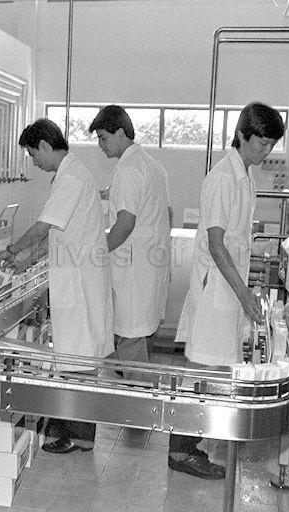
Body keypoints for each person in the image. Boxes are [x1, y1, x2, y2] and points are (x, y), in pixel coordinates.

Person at [169, 101, 285, 479]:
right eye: (261, 144)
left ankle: (195, 445)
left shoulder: (245, 175)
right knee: (199, 371)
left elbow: (235, 242)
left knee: (213, 371)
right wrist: (245, 294)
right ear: (241, 136)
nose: (266, 152)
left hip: (226, 291)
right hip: (216, 291)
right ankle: (181, 451)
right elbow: (217, 244)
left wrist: (244, 289)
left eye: (271, 145)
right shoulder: (222, 177)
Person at [0, 118, 113, 454]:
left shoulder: (71, 177)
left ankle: (77, 436)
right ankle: (74, 430)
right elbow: (58, 234)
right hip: (75, 276)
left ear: (46, 145)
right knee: (76, 357)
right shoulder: (70, 174)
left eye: (34, 154)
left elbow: (43, 226)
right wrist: (28, 260)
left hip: (80, 281)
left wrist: (14, 249)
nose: (34, 162)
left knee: (79, 360)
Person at [88, 105, 170, 380]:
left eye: (103, 137)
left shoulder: (127, 169)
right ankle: (143, 414)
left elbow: (125, 224)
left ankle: (139, 417)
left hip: (135, 275)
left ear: (121, 132)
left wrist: (95, 254)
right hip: (150, 270)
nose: (101, 145)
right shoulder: (152, 165)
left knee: (131, 345)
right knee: (142, 346)